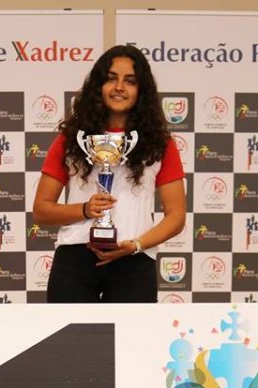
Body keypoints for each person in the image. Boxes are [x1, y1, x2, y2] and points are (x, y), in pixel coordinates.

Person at [32, 45, 186, 303]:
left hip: (134, 259)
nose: (119, 87)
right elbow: (41, 210)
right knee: (74, 333)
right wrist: (85, 209)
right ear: (98, 85)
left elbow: (177, 216)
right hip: (76, 258)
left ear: (141, 90)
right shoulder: (72, 138)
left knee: (131, 333)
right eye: (111, 78)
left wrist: (136, 244)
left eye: (130, 81)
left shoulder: (160, 143)